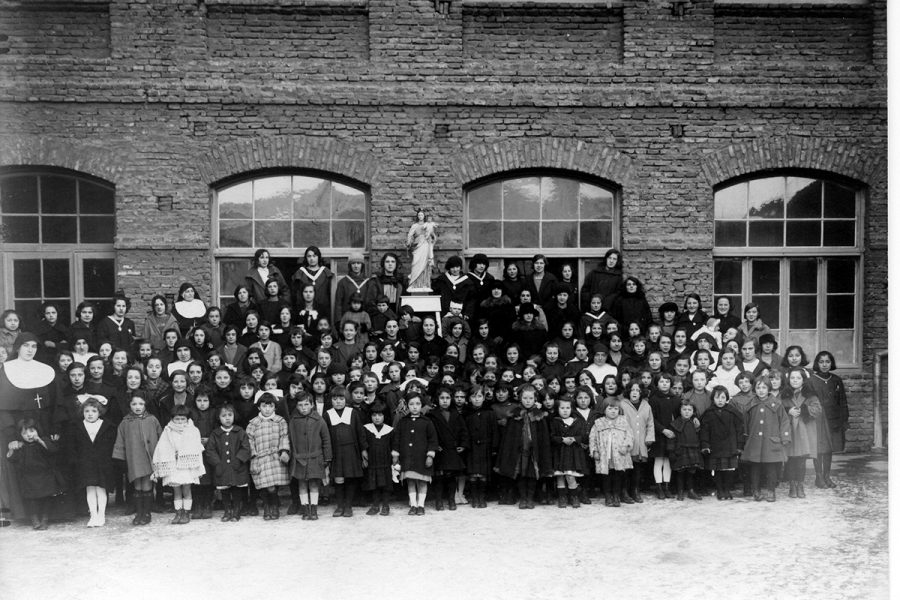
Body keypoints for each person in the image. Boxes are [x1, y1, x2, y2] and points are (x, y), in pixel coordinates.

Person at [0, 332, 58, 526]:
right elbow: (4, 407)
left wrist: (52, 429)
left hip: (43, 427)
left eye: (34, 346)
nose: (30, 350)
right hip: (18, 429)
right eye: (26, 346)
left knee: (47, 469)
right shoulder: (6, 370)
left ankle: (51, 514)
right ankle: (26, 515)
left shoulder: (45, 370)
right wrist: (11, 435)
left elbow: (53, 403)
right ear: (18, 347)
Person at [495, 384, 552, 509]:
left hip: (533, 451)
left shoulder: (539, 414)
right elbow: (509, 435)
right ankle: (522, 497)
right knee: (521, 473)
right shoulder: (514, 414)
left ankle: (530, 498)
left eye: (530, 398)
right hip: (519, 450)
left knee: (532, 474)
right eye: (525, 398)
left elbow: (543, 437)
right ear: (520, 398)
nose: (528, 401)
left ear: (535, 399)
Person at [112, 392, 162, 525]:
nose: (137, 407)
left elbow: (161, 437)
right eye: (134, 404)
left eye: (141, 403)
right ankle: (139, 513)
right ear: (129, 405)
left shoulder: (152, 419)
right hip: (134, 458)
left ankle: (147, 512)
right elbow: (120, 441)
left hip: (149, 457)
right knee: (137, 484)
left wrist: (160, 456)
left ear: (146, 405)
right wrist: (120, 459)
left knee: (147, 483)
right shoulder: (125, 422)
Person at [151, 404, 205, 524]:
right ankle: (178, 512)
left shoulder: (193, 430)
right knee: (176, 491)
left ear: (187, 419)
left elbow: (196, 448)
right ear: (172, 418)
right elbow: (162, 446)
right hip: (173, 466)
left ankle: (186, 513)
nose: (180, 422)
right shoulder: (168, 430)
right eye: (177, 419)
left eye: (183, 419)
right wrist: (171, 454)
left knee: (186, 489)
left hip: (186, 466)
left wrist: (183, 454)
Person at [6, 417, 63, 529]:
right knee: (31, 500)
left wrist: (40, 440)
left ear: (38, 430)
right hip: (28, 478)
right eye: (25, 433)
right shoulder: (22, 446)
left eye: (32, 431)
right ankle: (35, 520)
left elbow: (53, 450)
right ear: (20, 435)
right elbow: (11, 458)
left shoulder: (43, 441)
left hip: (45, 476)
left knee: (47, 498)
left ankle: (44, 520)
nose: (29, 435)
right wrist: (11, 448)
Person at [742, 377, 790, 502]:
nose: (761, 391)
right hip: (755, 442)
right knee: (755, 467)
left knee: (771, 467)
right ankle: (756, 490)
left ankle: (771, 491)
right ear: (754, 389)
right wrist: (744, 439)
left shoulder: (777, 404)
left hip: (771, 442)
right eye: (758, 388)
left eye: (764, 387)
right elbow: (745, 424)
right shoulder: (750, 405)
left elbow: (784, 421)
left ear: (769, 389)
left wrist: (784, 437)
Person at [807, 351, 849, 488]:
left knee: (829, 449)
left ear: (831, 363)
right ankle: (818, 477)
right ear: (817, 363)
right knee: (819, 448)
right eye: (821, 362)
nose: (824, 365)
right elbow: (809, 402)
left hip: (833, 419)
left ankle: (827, 476)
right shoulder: (811, 380)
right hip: (818, 420)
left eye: (827, 362)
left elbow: (842, 401)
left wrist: (844, 419)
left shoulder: (836, 380)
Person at [391, 392, 438, 515]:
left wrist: (430, 455)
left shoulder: (427, 421)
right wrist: (395, 454)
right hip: (408, 458)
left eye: (417, 404)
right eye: (411, 404)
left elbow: (433, 440)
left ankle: (421, 505)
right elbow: (397, 438)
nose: (415, 407)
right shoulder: (403, 421)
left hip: (422, 458)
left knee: (422, 481)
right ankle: (413, 505)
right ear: (407, 406)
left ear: (421, 405)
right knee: (410, 481)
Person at [246, 393, 291, 520]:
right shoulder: (253, 423)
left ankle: (274, 506)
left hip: (276, 457)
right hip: (261, 458)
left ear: (275, 407)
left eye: (270, 406)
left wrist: (284, 451)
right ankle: (267, 505)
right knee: (264, 485)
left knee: (273, 486)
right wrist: (253, 455)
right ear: (259, 407)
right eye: (264, 406)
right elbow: (249, 441)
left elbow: (284, 436)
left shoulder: (280, 421)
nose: (267, 409)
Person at [288, 393, 332, 520]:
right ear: (296, 406)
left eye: (306, 404)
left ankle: (314, 509)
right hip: (299, 459)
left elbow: (326, 440)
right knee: (301, 484)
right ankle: (305, 509)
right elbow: (290, 439)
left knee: (314, 484)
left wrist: (327, 458)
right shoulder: (293, 421)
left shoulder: (319, 420)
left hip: (315, 458)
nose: (303, 408)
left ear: (312, 405)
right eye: (300, 405)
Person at [324, 388, 367, 517]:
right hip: (336, 451)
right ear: (331, 400)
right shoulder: (327, 414)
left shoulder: (352, 413)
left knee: (349, 477)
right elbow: (325, 436)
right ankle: (340, 505)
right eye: (335, 399)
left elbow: (360, 433)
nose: (338, 402)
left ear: (346, 399)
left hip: (351, 450)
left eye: (341, 399)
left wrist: (363, 449)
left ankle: (348, 505)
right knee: (338, 478)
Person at [205, 403, 251, 522]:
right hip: (222, 467)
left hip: (237, 467)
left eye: (230, 415)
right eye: (224, 415)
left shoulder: (239, 431)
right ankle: (227, 510)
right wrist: (217, 463)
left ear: (234, 416)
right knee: (224, 489)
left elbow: (246, 447)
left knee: (237, 489)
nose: (227, 418)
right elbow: (210, 450)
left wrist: (239, 459)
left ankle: (236, 511)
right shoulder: (215, 434)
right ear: (219, 418)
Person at [427, 387, 469, 511]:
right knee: (439, 478)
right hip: (440, 450)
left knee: (451, 477)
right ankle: (439, 501)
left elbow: (464, 431)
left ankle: (451, 500)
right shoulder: (432, 415)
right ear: (437, 399)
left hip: (452, 450)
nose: (445, 401)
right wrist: (434, 446)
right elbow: (430, 433)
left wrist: (463, 445)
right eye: (442, 398)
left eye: (447, 398)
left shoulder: (456, 414)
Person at [782, 368, 821, 499]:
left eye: (798, 378)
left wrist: (805, 410)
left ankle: (800, 485)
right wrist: (788, 411)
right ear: (788, 380)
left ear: (804, 380)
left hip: (805, 431)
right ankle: (792, 485)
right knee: (792, 459)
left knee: (801, 460)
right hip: (791, 430)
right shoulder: (785, 395)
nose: (795, 381)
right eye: (792, 378)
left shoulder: (810, 395)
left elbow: (817, 409)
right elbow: (778, 408)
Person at [700, 386, 744, 501]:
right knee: (718, 470)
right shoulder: (708, 413)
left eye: (723, 397)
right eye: (717, 397)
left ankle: (727, 490)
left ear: (727, 398)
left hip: (730, 445)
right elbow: (704, 430)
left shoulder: (733, 412)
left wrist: (739, 446)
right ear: (713, 399)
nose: (720, 400)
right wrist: (705, 445)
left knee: (729, 470)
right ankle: (720, 490)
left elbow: (739, 429)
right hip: (715, 446)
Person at [588, 397, 633, 507]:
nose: (613, 411)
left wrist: (626, 446)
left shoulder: (623, 421)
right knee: (606, 476)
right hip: (605, 455)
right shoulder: (598, 423)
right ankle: (608, 495)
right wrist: (594, 451)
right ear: (604, 410)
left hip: (619, 455)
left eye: (616, 409)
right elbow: (592, 438)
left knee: (618, 475)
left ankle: (616, 495)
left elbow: (630, 435)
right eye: (610, 408)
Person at [549, 397, 588, 508]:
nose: (565, 410)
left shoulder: (577, 422)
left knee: (570, 475)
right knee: (560, 476)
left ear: (572, 409)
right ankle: (562, 497)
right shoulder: (555, 421)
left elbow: (583, 436)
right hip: (559, 453)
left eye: (567, 408)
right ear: (558, 409)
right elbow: (551, 437)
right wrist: (561, 439)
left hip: (572, 453)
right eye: (562, 408)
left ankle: (574, 496)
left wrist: (574, 439)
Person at [620, 381, 655, 503]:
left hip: (641, 443)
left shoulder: (646, 406)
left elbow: (650, 423)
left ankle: (635, 491)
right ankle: (624, 492)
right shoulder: (623, 405)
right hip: (627, 442)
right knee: (626, 469)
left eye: (637, 391)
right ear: (628, 392)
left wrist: (649, 438)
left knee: (637, 469)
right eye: (632, 390)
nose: (635, 393)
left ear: (641, 393)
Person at [361, 401, 394, 516]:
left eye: (380, 415)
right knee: (373, 484)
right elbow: (363, 442)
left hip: (385, 461)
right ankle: (375, 505)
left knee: (385, 484)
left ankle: (385, 505)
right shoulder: (366, 429)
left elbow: (393, 445)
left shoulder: (389, 430)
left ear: (385, 416)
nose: (377, 418)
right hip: (372, 461)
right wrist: (364, 452)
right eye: (374, 415)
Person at [670, 401, 703, 501]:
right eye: (684, 409)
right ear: (680, 411)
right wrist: (672, 451)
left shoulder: (694, 423)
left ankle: (691, 491)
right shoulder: (675, 423)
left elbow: (698, 435)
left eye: (689, 410)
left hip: (693, 449)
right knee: (680, 472)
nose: (687, 412)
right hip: (681, 450)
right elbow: (672, 438)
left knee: (691, 472)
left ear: (693, 412)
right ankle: (680, 491)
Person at [292, 246, 334, 320]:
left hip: (323, 310)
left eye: (314, 256)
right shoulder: (300, 273)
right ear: (306, 258)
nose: (312, 259)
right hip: (304, 310)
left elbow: (330, 293)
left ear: (318, 257)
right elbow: (296, 294)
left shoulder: (326, 273)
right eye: (309, 256)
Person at [335, 253, 377, 324]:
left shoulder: (368, 282)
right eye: (353, 263)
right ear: (349, 265)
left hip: (363, 320)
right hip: (347, 320)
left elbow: (371, 303)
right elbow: (338, 304)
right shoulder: (343, 282)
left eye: (358, 263)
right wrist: (338, 321)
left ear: (362, 265)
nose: (356, 266)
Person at [406, 209, 438, 290]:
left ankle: (424, 283)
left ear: (424, 216)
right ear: (417, 216)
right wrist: (409, 243)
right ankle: (413, 283)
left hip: (426, 245)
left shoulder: (427, 224)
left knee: (425, 264)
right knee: (415, 263)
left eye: (422, 215)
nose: (420, 216)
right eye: (419, 215)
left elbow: (433, 235)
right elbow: (410, 235)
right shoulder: (415, 226)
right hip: (417, 246)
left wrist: (432, 237)